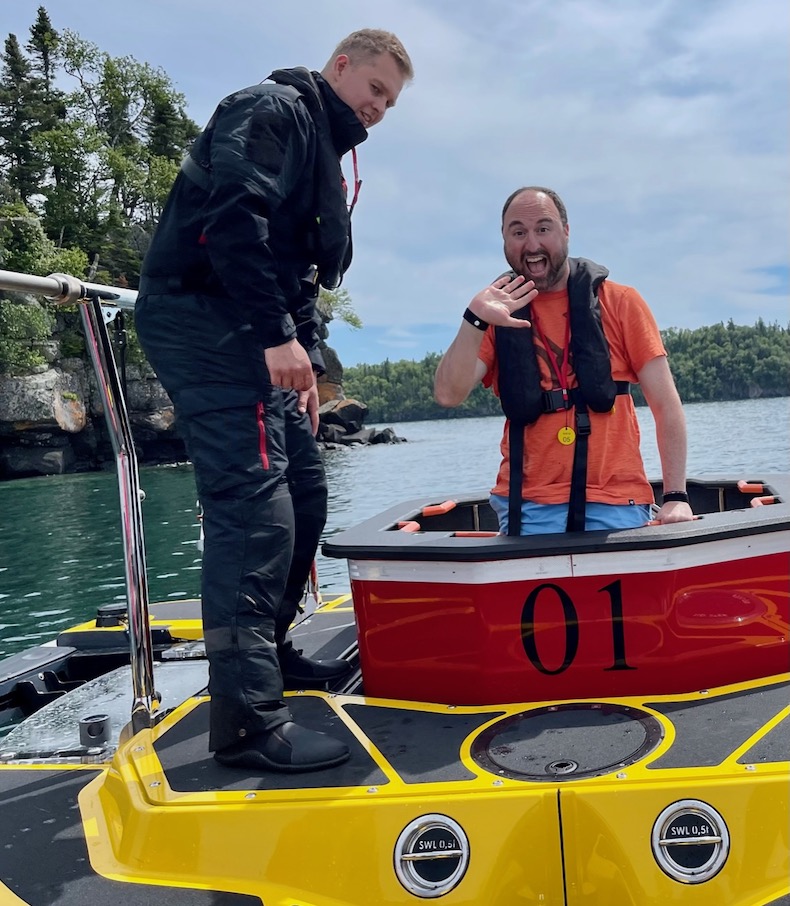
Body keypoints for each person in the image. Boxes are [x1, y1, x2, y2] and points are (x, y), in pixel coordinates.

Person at [134, 30, 413, 772]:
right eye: (375, 89)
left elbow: (300, 271)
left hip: (256, 335)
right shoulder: (273, 109)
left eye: (391, 102)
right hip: (208, 324)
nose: (379, 108)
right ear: (342, 65)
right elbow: (234, 223)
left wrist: (310, 365)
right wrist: (272, 338)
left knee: (306, 497)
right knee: (255, 516)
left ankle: (274, 656)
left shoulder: (326, 140)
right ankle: (249, 726)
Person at [434, 186, 695, 536]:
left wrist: (676, 496)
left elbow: (665, 405)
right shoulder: (494, 313)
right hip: (526, 508)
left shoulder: (621, 302)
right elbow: (448, 395)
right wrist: (475, 319)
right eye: (518, 232)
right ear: (504, 240)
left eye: (544, 228)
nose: (532, 245)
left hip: (615, 503)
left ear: (566, 231)